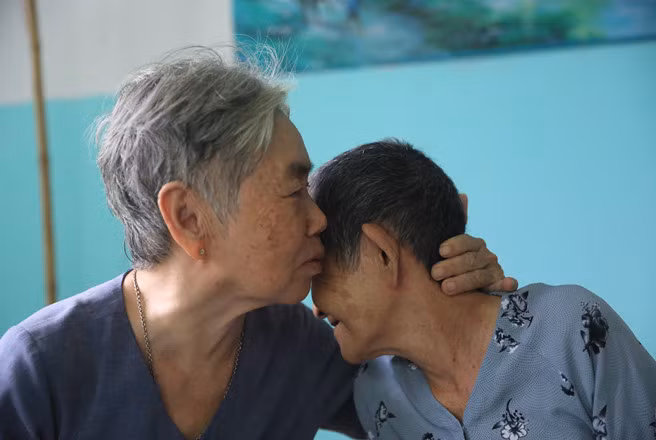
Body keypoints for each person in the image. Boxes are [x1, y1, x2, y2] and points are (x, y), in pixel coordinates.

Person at [0, 48, 516, 439]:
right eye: (293, 191)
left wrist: (456, 295)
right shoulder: (39, 371)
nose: (319, 219)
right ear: (188, 217)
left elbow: (441, 408)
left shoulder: (299, 349)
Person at [311, 140, 656, 440]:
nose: (315, 305)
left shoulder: (570, 329)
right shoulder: (372, 393)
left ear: (382, 253)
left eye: (319, 262)